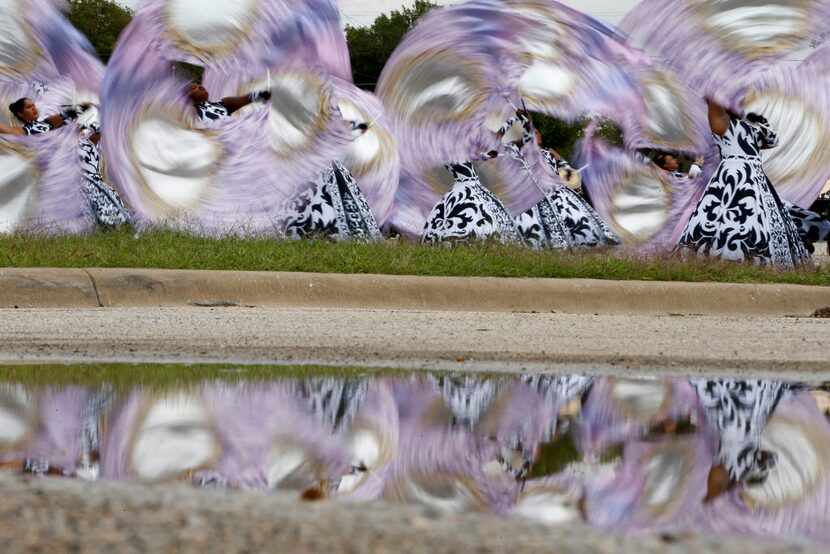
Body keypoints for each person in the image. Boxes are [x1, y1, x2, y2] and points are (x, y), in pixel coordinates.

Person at [677, 100, 810, 268]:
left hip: (756, 177)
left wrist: (755, 118)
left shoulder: (752, 122)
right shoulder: (722, 118)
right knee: (727, 217)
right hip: (733, 175)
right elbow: (716, 104)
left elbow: (773, 140)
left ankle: (759, 260)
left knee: (760, 220)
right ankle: (724, 259)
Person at [2, 98, 132, 229]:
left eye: (34, 105)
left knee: (101, 197)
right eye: (29, 107)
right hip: (70, 173)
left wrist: (82, 110)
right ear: (20, 113)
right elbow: (4, 130)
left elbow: (68, 116)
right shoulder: (24, 131)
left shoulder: (49, 123)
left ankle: (112, 225)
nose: (34, 108)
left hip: (87, 165)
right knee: (89, 203)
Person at [515, 119, 619, 249]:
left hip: (557, 191)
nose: (540, 134)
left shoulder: (549, 152)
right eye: (535, 132)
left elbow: (569, 176)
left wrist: (561, 161)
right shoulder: (520, 154)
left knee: (575, 217)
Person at [421, 114, 522, 245]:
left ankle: (486, 238)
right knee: (471, 213)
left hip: (474, 185)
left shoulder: (457, 148)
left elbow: (474, 154)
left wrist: (486, 155)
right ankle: (469, 238)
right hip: (464, 186)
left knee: (483, 212)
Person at [187, 83, 271, 122]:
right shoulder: (190, 113)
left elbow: (251, 97)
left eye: (198, 85)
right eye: (194, 87)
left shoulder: (223, 103)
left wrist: (267, 93)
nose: (200, 86)